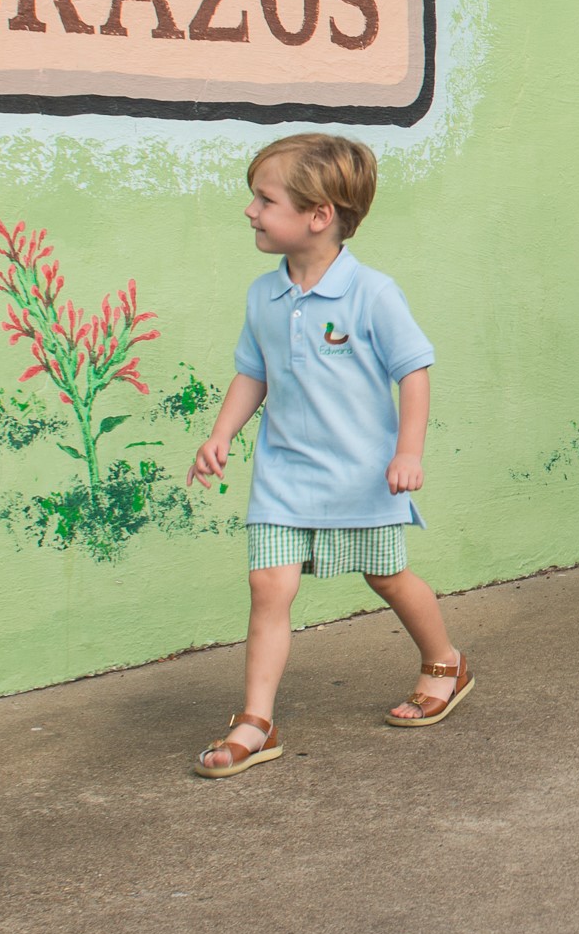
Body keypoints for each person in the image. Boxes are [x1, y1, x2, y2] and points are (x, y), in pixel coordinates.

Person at [186, 136, 466, 773]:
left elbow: (413, 370)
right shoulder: (263, 296)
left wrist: (408, 452)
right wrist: (220, 434)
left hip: (363, 477)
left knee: (387, 577)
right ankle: (256, 720)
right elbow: (251, 374)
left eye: (265, 199)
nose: (251, 211)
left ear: (318, 215)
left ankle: (444, 660)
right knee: (268, 586)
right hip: (283, 477)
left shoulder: (371, 293)